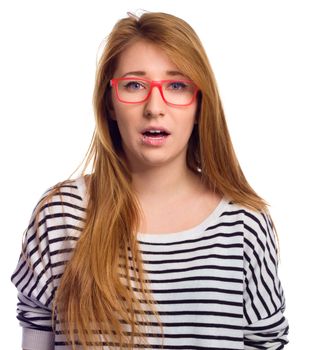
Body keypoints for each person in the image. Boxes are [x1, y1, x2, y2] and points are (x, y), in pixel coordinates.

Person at [11, 11, 289, 350]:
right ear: (109, 103)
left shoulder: (244, 226)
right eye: (134, 85)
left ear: (200, 103)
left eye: (176, 85)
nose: (154, 107)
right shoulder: (61, 217)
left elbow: (267, 341)